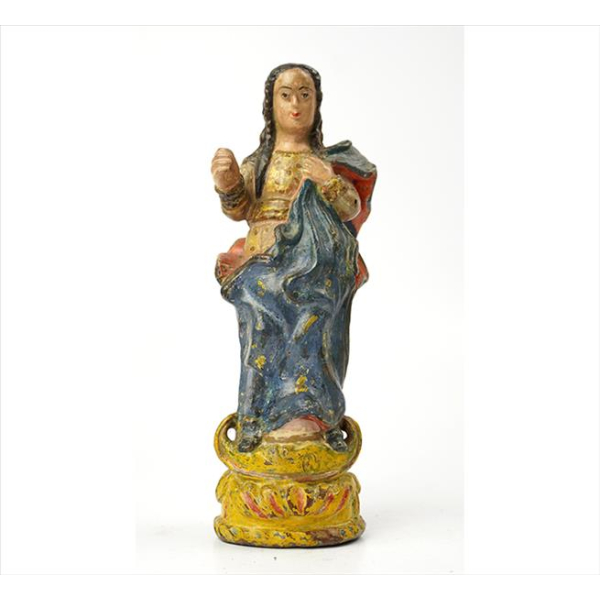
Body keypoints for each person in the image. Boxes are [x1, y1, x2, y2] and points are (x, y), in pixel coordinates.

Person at [211, 64, 376, 452]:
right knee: (259, 324)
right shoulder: (261, 162)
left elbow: (351, 208)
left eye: (305, 94)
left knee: (314, 327)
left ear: (317, 103)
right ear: (271, 106)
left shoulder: (328, 160)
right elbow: (240, 208)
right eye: (285, 95)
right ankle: (257, 417)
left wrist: (328, 180)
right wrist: (228, 182)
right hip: (263, 261)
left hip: (314, 267)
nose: (296, 105)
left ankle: (316, 416)